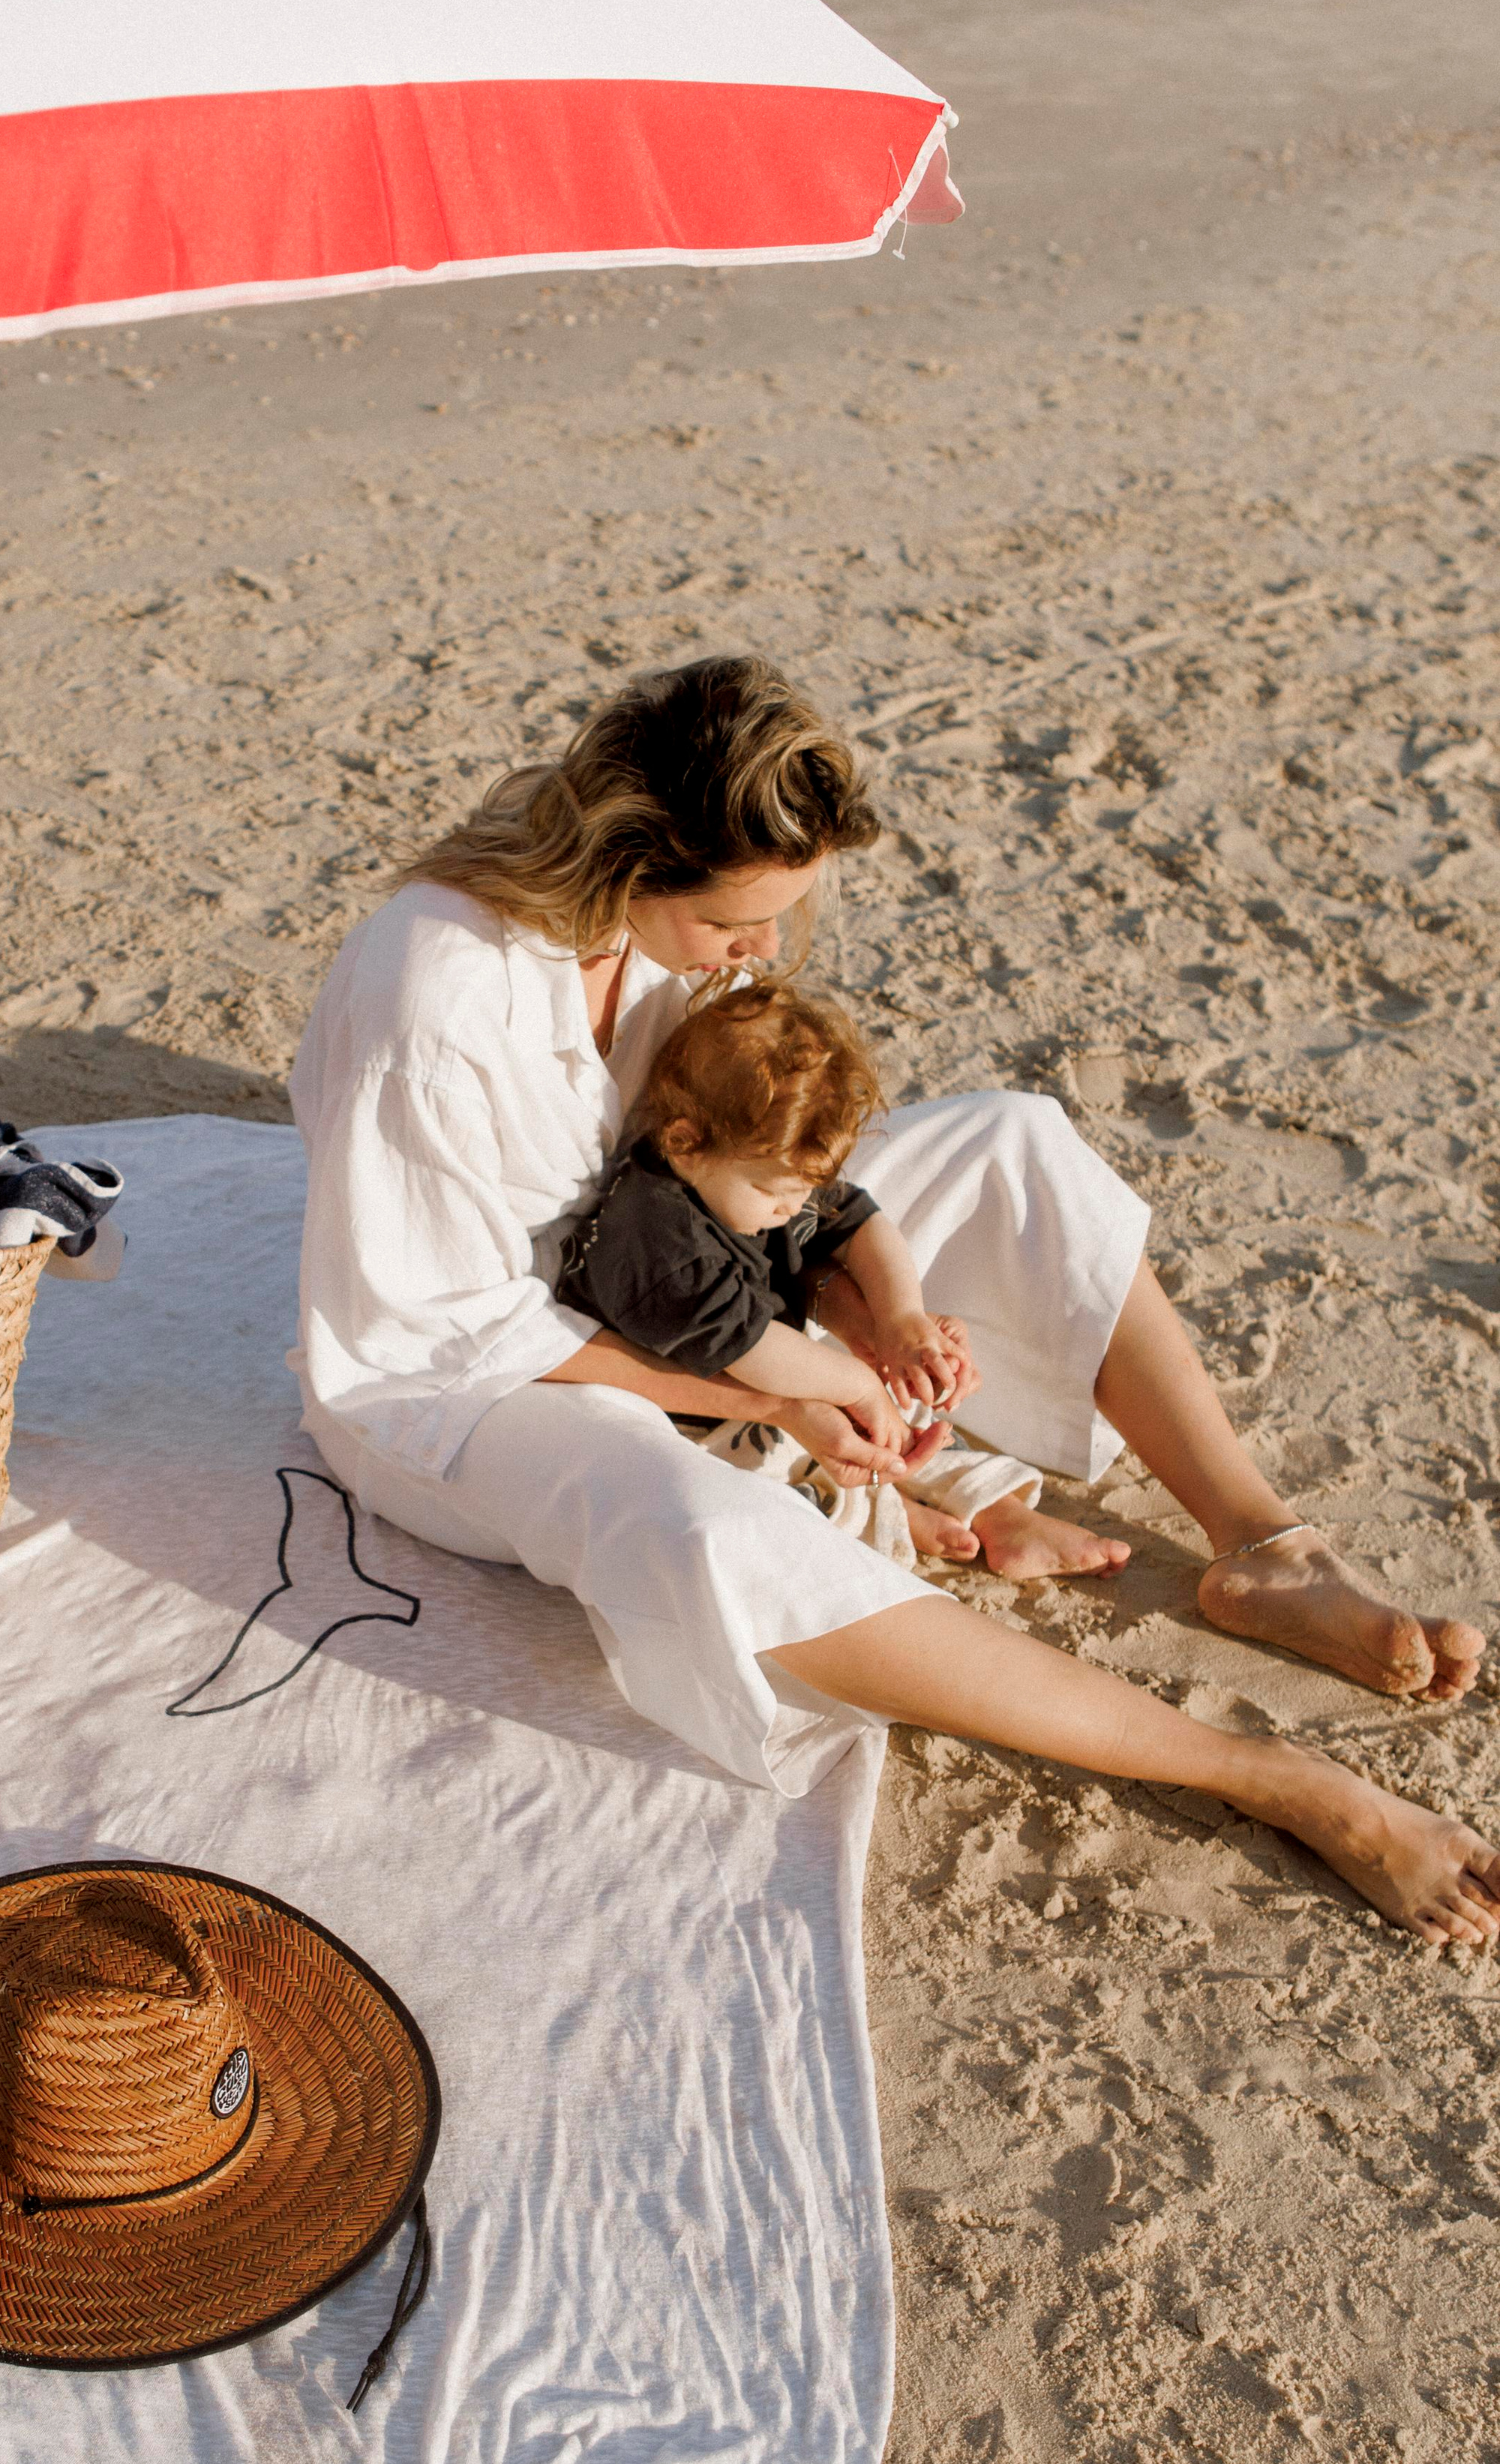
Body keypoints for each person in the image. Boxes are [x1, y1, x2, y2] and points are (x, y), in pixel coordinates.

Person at [290, 655, 1494, 1946]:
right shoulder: (436, 992)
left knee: (1015, 1143)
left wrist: (862, 1303)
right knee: (699, 1529)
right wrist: (769, 1389)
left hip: (681, 1246)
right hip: (479, 1376)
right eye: (736, 925)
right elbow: (446, 1326)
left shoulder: (646, 919)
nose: (763, 952)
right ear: (632, 859)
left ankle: (1264, 1551)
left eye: (781, 916)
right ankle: (1265, 1777)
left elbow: (734, 1159)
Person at [553, 975, 1104, 1574]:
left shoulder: (760, 1167)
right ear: (685, 1144)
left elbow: (861, 1225)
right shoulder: (660, 1243)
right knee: (774, 1473)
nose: (792, 1209)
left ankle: (1000, 1513)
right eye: (774, 1194)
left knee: (906, 1407)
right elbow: (755, 1351)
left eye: (805, 1191)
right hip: (684, 1408)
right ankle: (892, 1512)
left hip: (773, 1371)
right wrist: (858, 1387)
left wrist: (901, 1319)